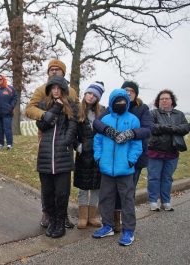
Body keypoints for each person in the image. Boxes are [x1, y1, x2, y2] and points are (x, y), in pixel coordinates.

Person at [25, 58, 78, 229]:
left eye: (58, 69)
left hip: (64, 142)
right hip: (46, 138)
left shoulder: (71, 91)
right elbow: (30, 109)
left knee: (63, 181)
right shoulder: (42, 90)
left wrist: (71, 138)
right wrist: (44, 115)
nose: (54, 71)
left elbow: (75, 113)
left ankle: (62, 215)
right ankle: (47, 212)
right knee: (47, 181)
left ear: (63, 73)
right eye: (51, 69)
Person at [93, 80, 152, 232]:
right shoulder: (106, 116)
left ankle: (128, 229)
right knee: (106, 197)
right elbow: (98, 135)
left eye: (131, 91)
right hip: (106, 167)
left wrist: (130, 160)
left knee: (127, 198)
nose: (127, 93)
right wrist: (99, 157)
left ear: (135, 94)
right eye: (124, 91)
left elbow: (144, 134)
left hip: (127, 166)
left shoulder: (138, 114)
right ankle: (108, 225)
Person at [35, 75, 77, 238]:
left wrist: (65, 143)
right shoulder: (43, 105)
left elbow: (72, 128)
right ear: (49, 89)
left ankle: (60, 222)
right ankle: (52, 221)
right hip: (45, 155)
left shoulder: (72, 106)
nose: (56, 91)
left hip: (63, 155)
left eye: (59, 88)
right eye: (53, 88)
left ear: (64, 90)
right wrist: (56, 108)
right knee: (48, 192)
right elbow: (42, 125)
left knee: (61, 193)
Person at [147, 89, 189, 211]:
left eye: (167, 98)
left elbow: (186, 127)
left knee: (167, 177)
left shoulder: (179, 114)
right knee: (154, 177)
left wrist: (168, 128)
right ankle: (153, 201)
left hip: (172, 152)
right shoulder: (153, 113)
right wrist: (170, 128)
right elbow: (152, 127)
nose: (164, 100)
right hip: (155, 150)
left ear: (172, 101)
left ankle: (166, 201)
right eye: (162, 99)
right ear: (158, 101)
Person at [73, 82, 105, 229]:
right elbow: (71, 132)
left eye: (94, 95)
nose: (91, 96)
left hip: (98, 155)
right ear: (85, 94)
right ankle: (83, 216)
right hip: (83, 155)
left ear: (98, 98)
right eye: (89, 93)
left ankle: (92, 216)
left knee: (96, 186)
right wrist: (78, 147)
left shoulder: (102, 113)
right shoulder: (77, 111)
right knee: (83, 187)